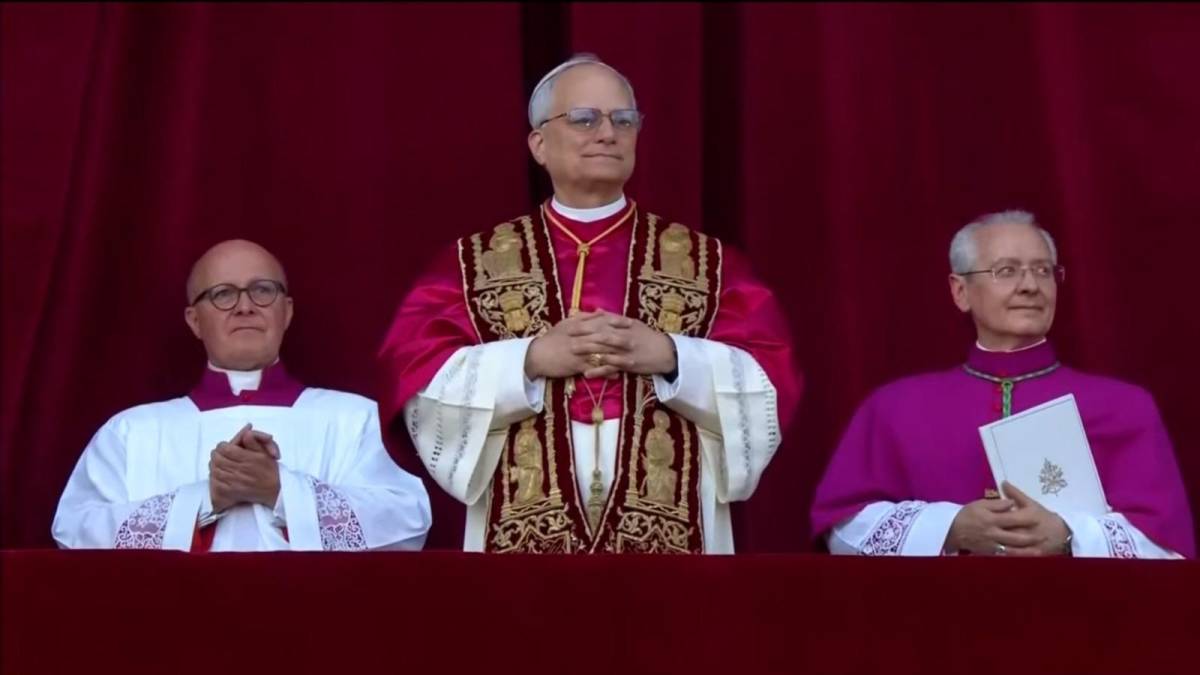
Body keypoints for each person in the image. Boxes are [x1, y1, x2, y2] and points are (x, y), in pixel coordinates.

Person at [377, 54, 801, 553]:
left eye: (624, 120)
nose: (608, 133)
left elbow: (771, 379)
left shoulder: (707, 261)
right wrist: (530, 360)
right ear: (538, 143)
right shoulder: (474, 263)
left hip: (671, 512)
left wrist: (672, 357)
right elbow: (416, 379)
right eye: (584, 119)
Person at [810, 210, 1194, 558]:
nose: (1030, 285)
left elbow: (1167, 548)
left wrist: (1067, 534)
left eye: (1044, 270)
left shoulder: (1125, 407)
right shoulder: (894, 408)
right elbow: (842, 529)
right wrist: (949, 528)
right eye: (1006, 271)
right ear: (960, 291)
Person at [53, 239, 432, 551]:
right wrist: (204, 500)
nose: (245, 306)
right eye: (222, 294)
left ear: (286, 312)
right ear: (194, 321)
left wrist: (283, 492)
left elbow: (408, 520)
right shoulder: (130, 432)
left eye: (262, 290)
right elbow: (74, 531)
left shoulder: (357, 420)